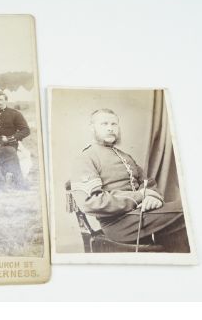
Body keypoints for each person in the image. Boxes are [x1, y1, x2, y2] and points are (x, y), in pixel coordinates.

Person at [70, 108, 189, 252]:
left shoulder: (126, 156)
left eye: (114, 124)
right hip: (118, 225)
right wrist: (140, 197)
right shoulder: (86, 158)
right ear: (92, 128)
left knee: (184, 213)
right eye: (104, 124)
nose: (110, 128)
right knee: (186, 209)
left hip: (139, 216)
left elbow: (148, 184)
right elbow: (91, 202)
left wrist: (152, 198)